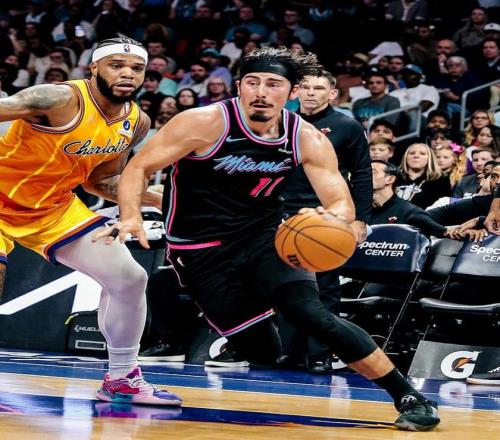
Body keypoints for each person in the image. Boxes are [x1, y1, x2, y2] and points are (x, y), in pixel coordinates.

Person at [101, 47, 440, 431]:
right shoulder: (203, 122)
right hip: (199, 250)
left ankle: (409, 396)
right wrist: (131, 214)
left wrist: (331, 218)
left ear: (292, 91)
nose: (261, 92)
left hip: (265, 237)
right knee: (262, 351)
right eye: (253, 82)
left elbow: (341, 202)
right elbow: (139, 167)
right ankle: (263, 304)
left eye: (273, 84)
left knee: (313, 315)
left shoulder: (306, 137)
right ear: (239, 86)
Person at [0, 37, 181, 406]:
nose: (128, 73)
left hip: (53, 207)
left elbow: (101, 182)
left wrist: (154, 197)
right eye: (117, 65)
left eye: (136, 68)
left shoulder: (136, 121)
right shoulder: (57, 98)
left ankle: (122, 378)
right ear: (94, 68)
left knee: (129, 278)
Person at [281, 69, 373, 372]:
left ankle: (321, 354)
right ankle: (289, 351)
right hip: (282, 214)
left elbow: (362, 174)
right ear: (296, 91)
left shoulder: (347, 126)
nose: (311, 93)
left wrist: (359, 219)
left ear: (332, 93)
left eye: (318, 88)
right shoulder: (282, 122)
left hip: (326, 215)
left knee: (324, 289)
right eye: (305, 87)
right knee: (285, 285)